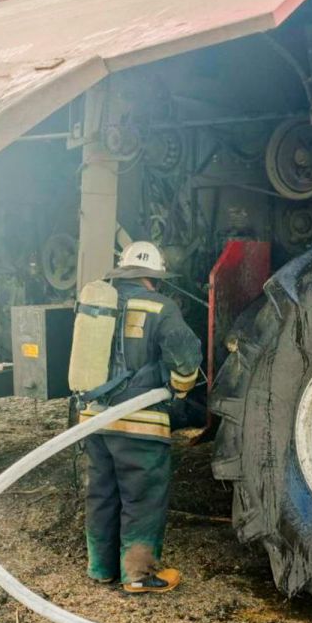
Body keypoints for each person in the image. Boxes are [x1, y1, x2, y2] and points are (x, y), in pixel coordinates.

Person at [77, 241, 202, 594]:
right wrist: (179, 388)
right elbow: (186, 356)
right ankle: (138, 575)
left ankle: (100, 568)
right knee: (142, 497)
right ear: (154, 277)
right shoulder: (161, 306)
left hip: (94, 419)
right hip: (139, 422)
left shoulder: (98, 304)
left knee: (101, 493)